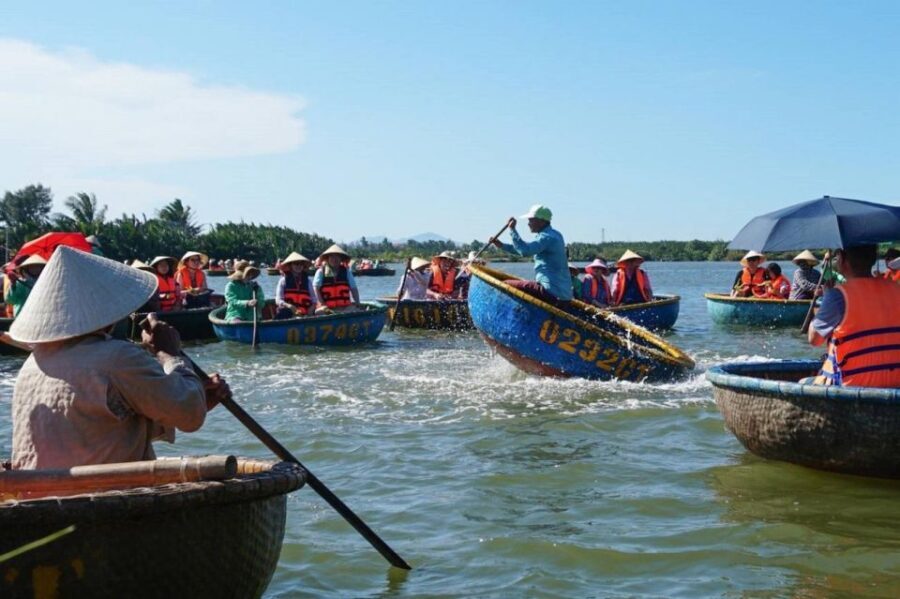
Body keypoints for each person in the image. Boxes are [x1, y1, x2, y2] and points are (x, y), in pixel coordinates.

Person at [7, 245, 230, 470]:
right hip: (104, 497)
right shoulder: (117, 357)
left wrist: (196, 397)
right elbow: (189, 416)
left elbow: (103, 426)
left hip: (39, 493)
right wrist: (169, 354)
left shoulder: (31, 365)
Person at [808, 244, 900, 387]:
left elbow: (814, 339)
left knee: (804, 382)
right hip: (895, 383)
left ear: (843, 260)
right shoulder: (896, 289)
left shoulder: (837, 296)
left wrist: (827, 299)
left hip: (853, 385)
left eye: (837, 256)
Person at [490, 205, 572, 303]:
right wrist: (502, 245)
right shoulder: (555, 234)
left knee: (504, 284)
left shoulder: (546, 237)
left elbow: (525, 251)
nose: (528, 224)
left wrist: (512, 230)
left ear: (541, 221)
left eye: (531, 220)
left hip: (551, 292)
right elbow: (523, 249)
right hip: (563, 295)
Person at [313, 245, 359, 313]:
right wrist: (322, 304)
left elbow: (354, 288)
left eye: (337, 256)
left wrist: (357, 302)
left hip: (345, 308)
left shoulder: (346, 272)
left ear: (341, 258)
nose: (335, 259)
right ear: (327, 258)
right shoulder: (320, 272)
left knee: (355, 309)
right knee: (319, 312)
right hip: (327, 308)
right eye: (332, 256)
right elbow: (316, 289)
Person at [275, 252, 316, 319]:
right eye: (296, 264)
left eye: (301, 264)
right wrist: (288, 306)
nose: (298, 266)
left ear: (303, 266)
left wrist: (312, 307)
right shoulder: (283, 281)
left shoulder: (308, 281)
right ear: (290, 265)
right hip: (288, 315)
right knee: (284, 312)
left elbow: (314, 299)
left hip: (305, 315)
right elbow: (278, 300)